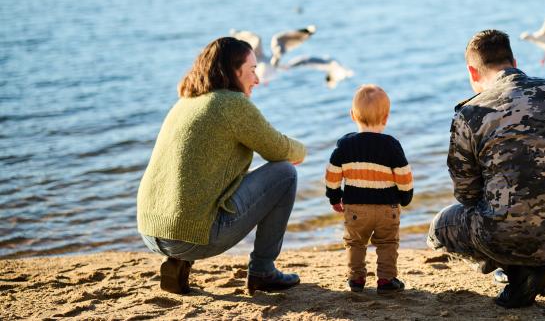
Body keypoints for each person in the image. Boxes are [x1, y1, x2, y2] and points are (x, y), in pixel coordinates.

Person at [427, 29, 545, 308]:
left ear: (472, 71)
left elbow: (467, 193)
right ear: (514, 62)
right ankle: (539, 269)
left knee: (439, 229)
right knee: (530, 201)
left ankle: (520, 273)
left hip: (511, 234)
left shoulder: (471, 113)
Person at [137, 37, 306, 295]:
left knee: (202, 183)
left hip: (151, 230)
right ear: (233, 71)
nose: (258, 79)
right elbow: (279, 149)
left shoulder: (186, 102)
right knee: (285, 173)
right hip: (189, 236)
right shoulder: (231, 103)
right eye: (252, 71)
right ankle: (262, 270)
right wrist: (301, 151)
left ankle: (178, 262)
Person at [324, 84, 413, 293]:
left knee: (355, 243)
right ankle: (386, 279)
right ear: (386, 117)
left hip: (356, 209)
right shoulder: (391, 145)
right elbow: (403, 174)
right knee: (388, 243)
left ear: (352, 115)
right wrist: (406, 196)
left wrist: (334, 197)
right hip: (386, 209)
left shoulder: (345, 146)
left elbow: (332, 174)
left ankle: (356, 279)